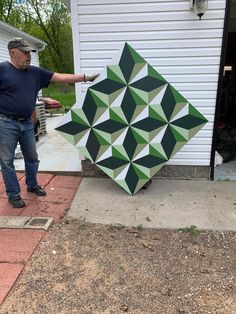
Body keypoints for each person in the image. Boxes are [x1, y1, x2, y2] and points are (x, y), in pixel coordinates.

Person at [0, 37, 99, 208]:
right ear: (12, 52)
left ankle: (32, 185)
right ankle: (13, 195)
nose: (28, 55)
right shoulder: (2, 70)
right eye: (24, 52)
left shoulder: (35, 72)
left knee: (32, 157)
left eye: (29, 52)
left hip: (28, 124)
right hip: (6, 123)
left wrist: (86, 77)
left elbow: (60, 77)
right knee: (7, 161)